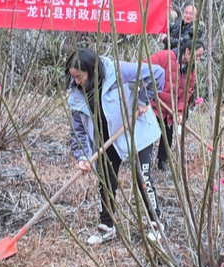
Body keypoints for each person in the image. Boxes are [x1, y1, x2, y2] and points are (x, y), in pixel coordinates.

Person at [66, 48, 165, 245]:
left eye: (79, 76)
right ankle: (106, 227)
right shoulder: (76, 93)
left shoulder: (118, 71)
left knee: (142, 178)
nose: (76, 81)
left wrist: (143, 100)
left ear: (91, 71)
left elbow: (157, 73)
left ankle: (156, 224)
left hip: (136, 131)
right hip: (105, 139)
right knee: (106, 181)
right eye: (73, 77)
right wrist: (83, 156)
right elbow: (77, 130)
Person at [146, 45, 198, 171]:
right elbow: (144, 67)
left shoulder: (191, 72)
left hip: (170, 109)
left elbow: (185, 95)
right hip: (155, 104)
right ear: (187, 50)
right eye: (197, 55)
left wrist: (180, 112)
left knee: (168, 135)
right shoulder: (166, 56)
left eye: (200, 57)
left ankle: (162, 163)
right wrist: (150, 92)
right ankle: (143, 163)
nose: (198, 59)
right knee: (148, 134)